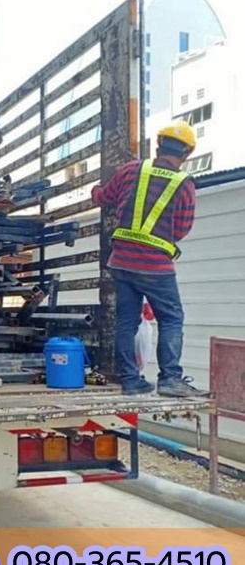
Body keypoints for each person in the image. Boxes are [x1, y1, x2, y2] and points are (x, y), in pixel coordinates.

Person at [91, 121, 208, 398]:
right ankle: (170, 379)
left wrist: (95, 190)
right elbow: (182, 229)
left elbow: (105, 197)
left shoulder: (131, 169)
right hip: (156, 266)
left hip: (122, 262)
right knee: (171, 319)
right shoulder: (184, 185)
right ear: (186, 154)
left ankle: (130, 381)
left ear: (158, 146)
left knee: (126, 322)